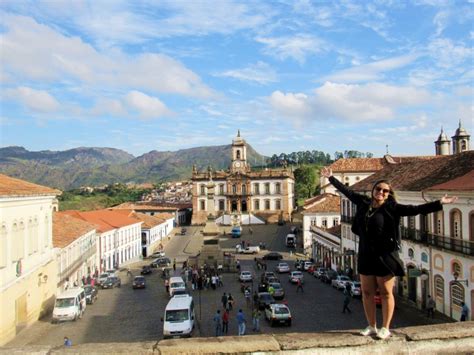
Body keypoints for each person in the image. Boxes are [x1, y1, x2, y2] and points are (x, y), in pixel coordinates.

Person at [321, 166, 457, 340]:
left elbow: (414, 210)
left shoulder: (392, 208)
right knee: (367, 293)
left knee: (386, 293)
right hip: (365, 255)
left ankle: (385, 327)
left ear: (389, 194)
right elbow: (347, 192)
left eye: (386, 191)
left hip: (385, 256)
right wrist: (331, 178)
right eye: (379, 189)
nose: (382, 193)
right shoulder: (363, 203)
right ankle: (371, 325)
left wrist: (439, 203)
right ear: (373, 191)